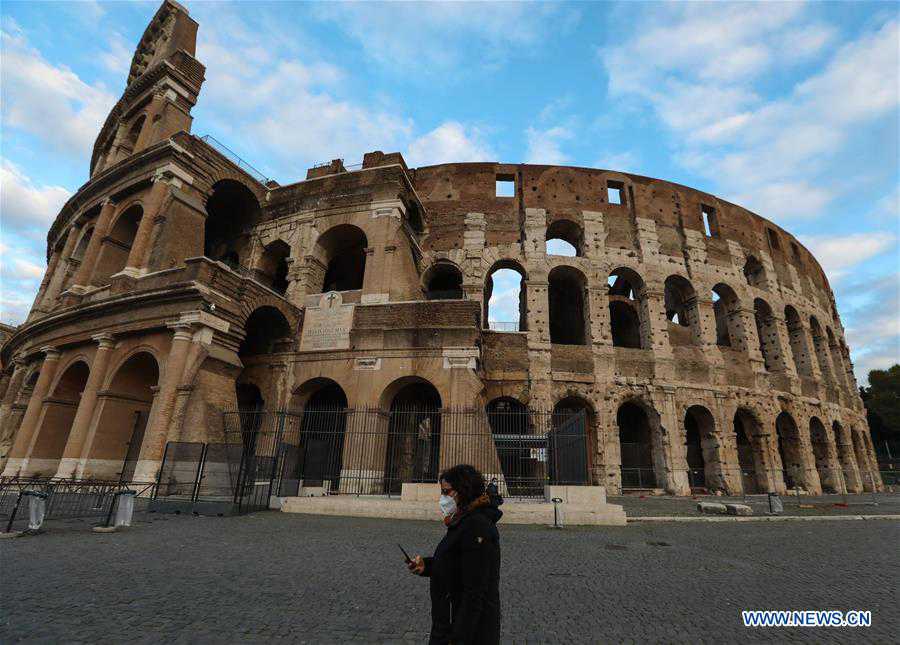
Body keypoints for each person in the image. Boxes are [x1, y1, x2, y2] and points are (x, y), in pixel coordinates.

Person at [408, 464, 502, 644]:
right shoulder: (462, 520)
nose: (442, 498)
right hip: (452, 622)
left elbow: (475, 592)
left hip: (469, 633)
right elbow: (457, 561)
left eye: (446, 492)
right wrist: (426, 566)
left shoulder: (477, 525)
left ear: (463, 491)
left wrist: (457, 638)